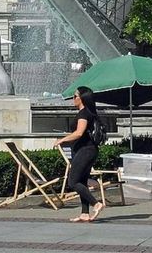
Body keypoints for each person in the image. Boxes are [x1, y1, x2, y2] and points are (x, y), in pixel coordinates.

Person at [54, 86, 105, 223]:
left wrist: (62, 140)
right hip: (88, 150)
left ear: (81, 99)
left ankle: (96, 204)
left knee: (73, 181)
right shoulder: (89, 112)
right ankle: (84, 213)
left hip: (85, 151)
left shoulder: (83, 114)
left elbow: (79, 133)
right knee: (82, 181)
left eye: (75, 96)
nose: (73, 99)